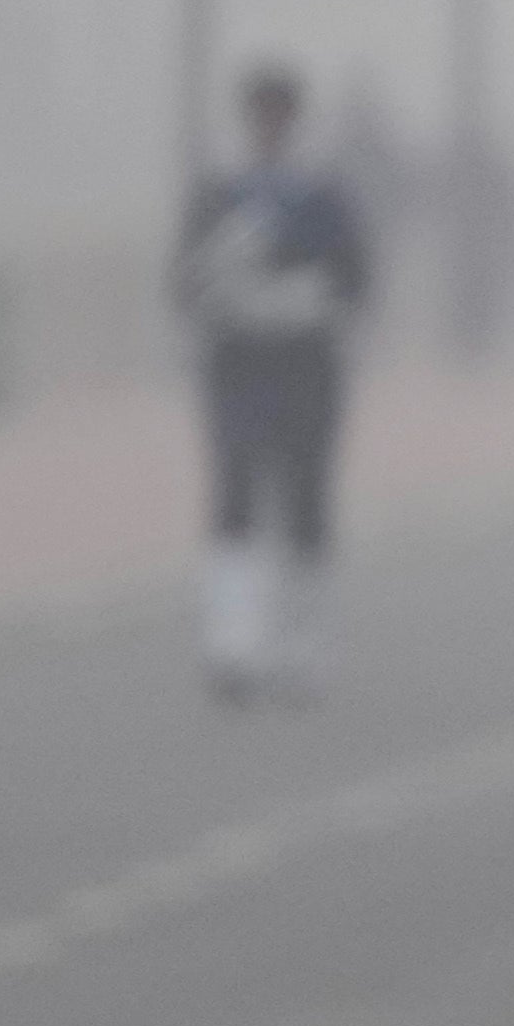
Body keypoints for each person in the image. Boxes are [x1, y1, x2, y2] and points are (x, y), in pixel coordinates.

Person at [173, 61, 375, 703]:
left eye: (279, 112)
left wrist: (305, 296)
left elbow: (356, 280)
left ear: (293, 118)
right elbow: (182, 280)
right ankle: (233, 645)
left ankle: (302, 649)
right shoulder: (218, 195)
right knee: (234, 493)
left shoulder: (321, 196)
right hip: (238, 361)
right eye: (260, 112)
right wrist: (225, 290)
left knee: (305, 498)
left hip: (306, 360)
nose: (269, 124)